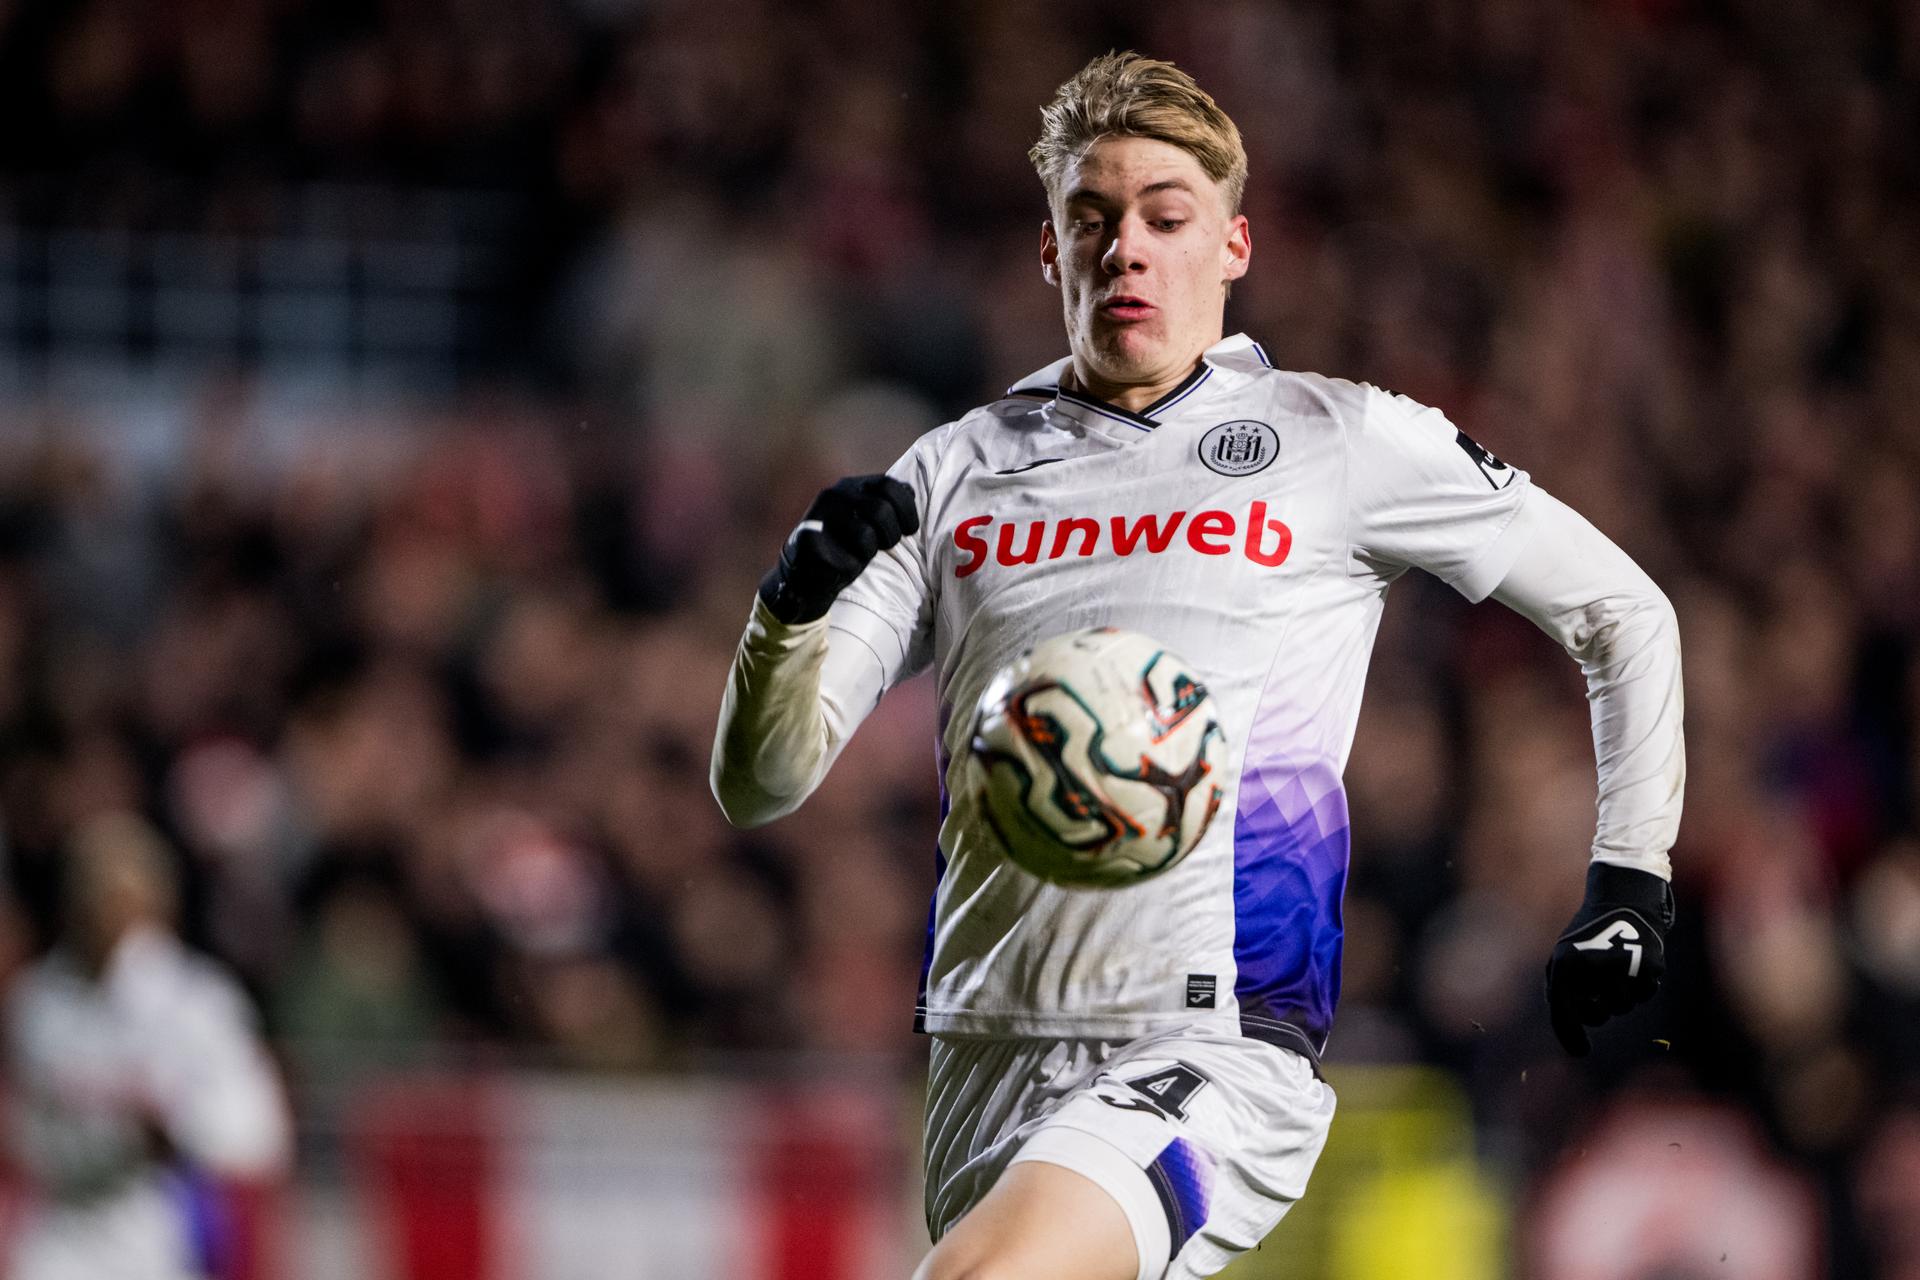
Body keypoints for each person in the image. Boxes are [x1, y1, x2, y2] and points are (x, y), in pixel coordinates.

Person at [711, 51, 1684, 1280]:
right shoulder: (953, 471)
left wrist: (1632, 882)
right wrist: (786, 611)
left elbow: (1622, 610)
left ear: (1233, 245)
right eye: (1093, 220)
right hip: (981, 1054)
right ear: (1050, 255)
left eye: (1167, 218)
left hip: (1213, 1045)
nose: (1129, 249)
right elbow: (763, 783)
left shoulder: (1338, 438)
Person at [3, 813, 292, 1280]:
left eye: (125, 898)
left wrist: (177, 1121)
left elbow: (259, 1136)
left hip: (155, 1224)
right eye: (98, 897)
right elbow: (29, 1131)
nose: (111, 917)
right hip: (59, 1229)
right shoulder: (39, 1003)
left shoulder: (199, 1001)